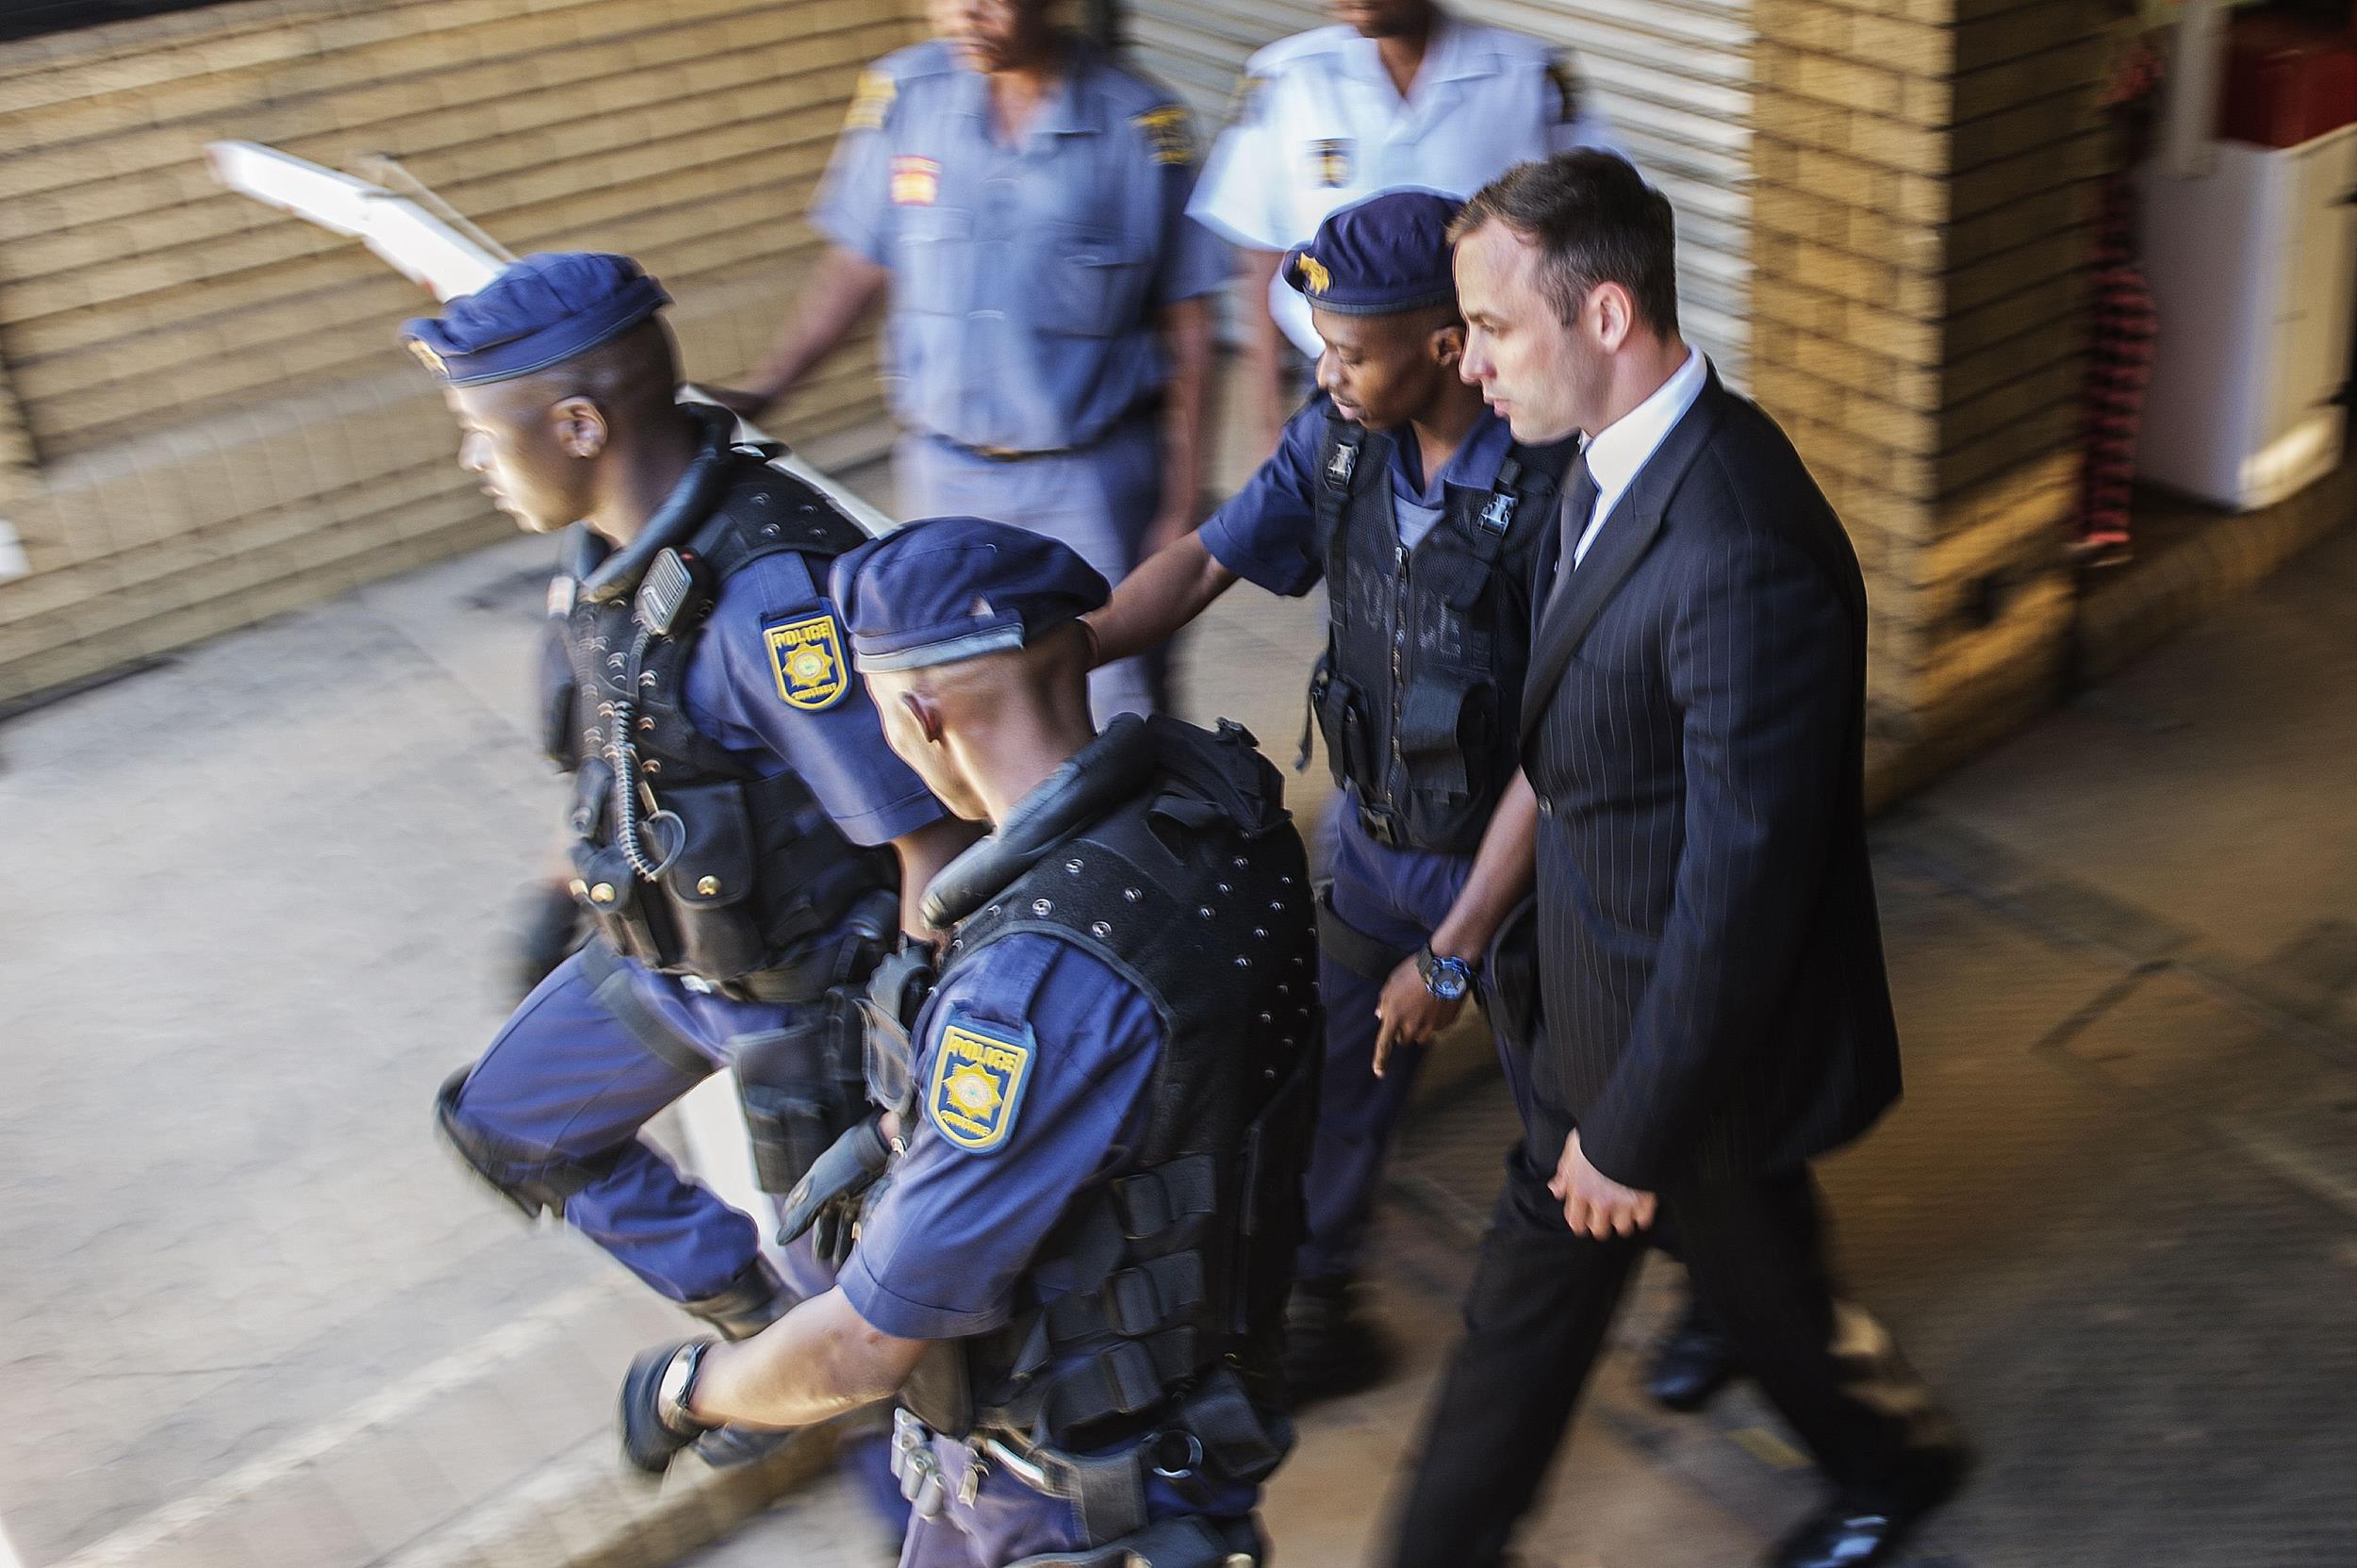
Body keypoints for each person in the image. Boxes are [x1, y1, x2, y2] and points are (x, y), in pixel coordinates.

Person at [1382, 152, 1965, 1568]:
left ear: (1606, 317)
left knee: (1571, 1292)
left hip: (1663, 1041)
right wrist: (1466, 937)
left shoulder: (1736, 544)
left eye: (1495, 328)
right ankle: (1867, 1436)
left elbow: (1741, 880)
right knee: (1747, 1255)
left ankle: (1880, 1459)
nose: (1467, 361)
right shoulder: (1592, 471)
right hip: (1596, 999)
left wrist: (1631, 1121)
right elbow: (1575, 746)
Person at [617, 518, 1321, 1568]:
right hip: (1190, 1404)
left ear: (916, 712)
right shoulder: (1213, 812)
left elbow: (864, 1345)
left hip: (1065, 1500)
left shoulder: (1032, 988)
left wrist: (688, 1391)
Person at [405, 254, 975, 1461]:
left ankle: (839, 1406)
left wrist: (911, 1051)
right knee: (509, 1122)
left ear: (576, 422)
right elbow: (628, 754)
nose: (467, 463)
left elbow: (932, 840)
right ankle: (755, 1328)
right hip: (670, 963)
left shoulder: (770, 591)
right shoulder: (604, 556)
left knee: (879, 1334)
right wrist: (569, 887)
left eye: (476, 433)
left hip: (808, 1003)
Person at [1083, 189, 1579, 1398]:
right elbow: (1206, 558)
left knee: (1584, 1115)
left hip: (1525, 872)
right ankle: (1317, 1302)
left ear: (1449, 349)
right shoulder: (1337, 444)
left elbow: (1564, 752)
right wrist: (1066, 647)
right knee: (1337, 1070)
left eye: (1351, 352)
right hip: (1375, 840)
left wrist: (1458, 952)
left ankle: (1716, 1286)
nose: (1326, 373)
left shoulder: (1557, 485)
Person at [709, 0, 1228, 722]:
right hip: (943, 473)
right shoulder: (904, 98)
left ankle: (1146, 836)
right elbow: (859, 265)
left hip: (1089, 484)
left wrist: (1180, 503)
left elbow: (1190, 325)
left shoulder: (1139, 125)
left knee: (1117, 700)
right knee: (952, 694)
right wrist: (770, 387)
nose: (966, 13)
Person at [1189, 0, 1618, 450]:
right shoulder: (1288, 78)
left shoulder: (1527, 78)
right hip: (1333, 386)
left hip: (1487, 394)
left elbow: (1597, 239)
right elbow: (1263, 259)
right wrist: (1269, 425)